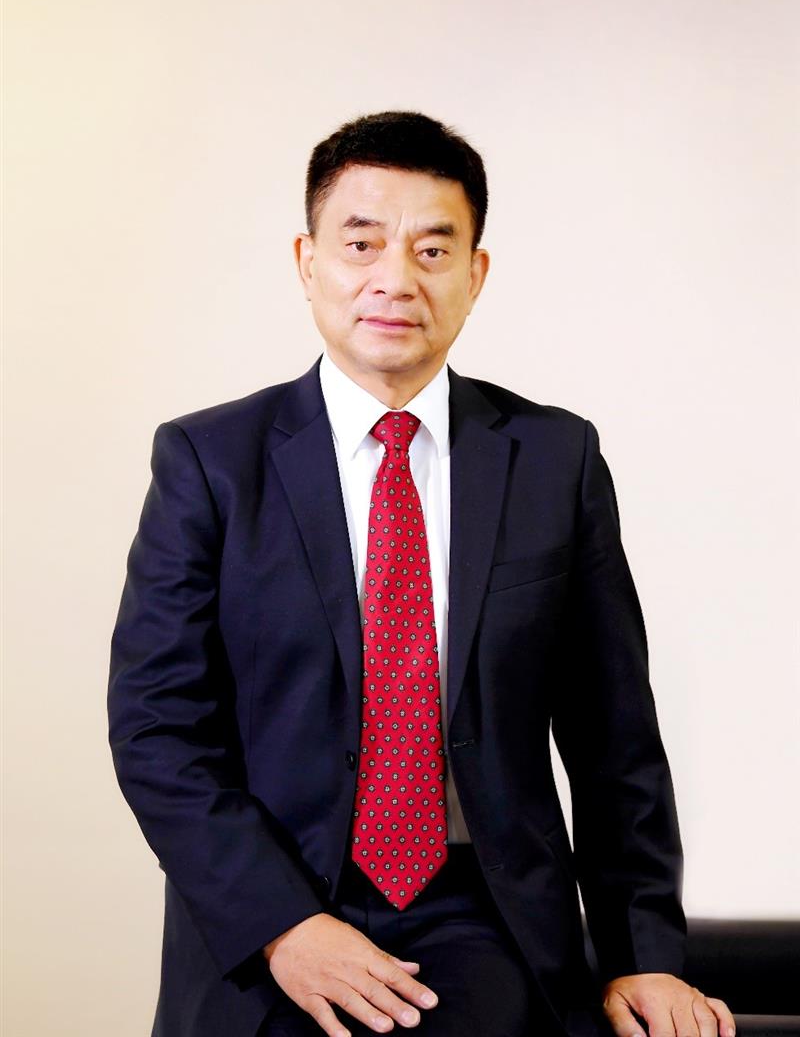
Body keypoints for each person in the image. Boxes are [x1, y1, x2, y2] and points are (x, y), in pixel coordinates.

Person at [107, 111, 735, 1037]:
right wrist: (284, 926)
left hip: (481, 910)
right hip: (270, 913)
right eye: (361, 243)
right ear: (307, 262)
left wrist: (644, 956)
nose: (395, 279)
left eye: (433, 251)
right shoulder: (210, 461)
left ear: (475, 275)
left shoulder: (553, 460)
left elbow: (615, 739)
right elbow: (157, 728)